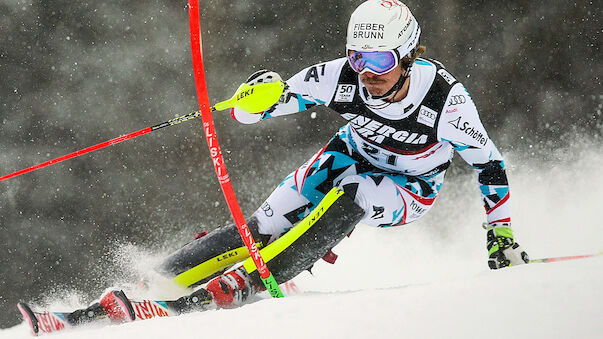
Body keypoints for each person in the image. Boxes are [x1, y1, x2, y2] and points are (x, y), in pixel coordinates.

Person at [58, 0, 532, 322]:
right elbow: (253, 112)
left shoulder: (446, 101)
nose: (368, 74)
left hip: (410, 186)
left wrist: (501, 235)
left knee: (355, 195)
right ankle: (155, 281)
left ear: (408, 56)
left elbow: (490, 166)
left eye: (382, 61)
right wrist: (256, 95)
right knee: (265, 222)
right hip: (349, 153)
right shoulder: (339, 77)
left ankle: (247, 281)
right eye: (358, 58)